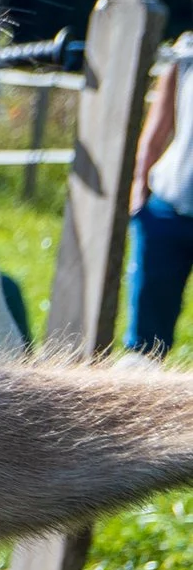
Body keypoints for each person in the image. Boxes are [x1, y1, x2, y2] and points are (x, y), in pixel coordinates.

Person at [127, 33, 193, 354]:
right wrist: (140, 196)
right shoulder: (187, 55)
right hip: (168, 211)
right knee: (147, 342)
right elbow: (156, 130)